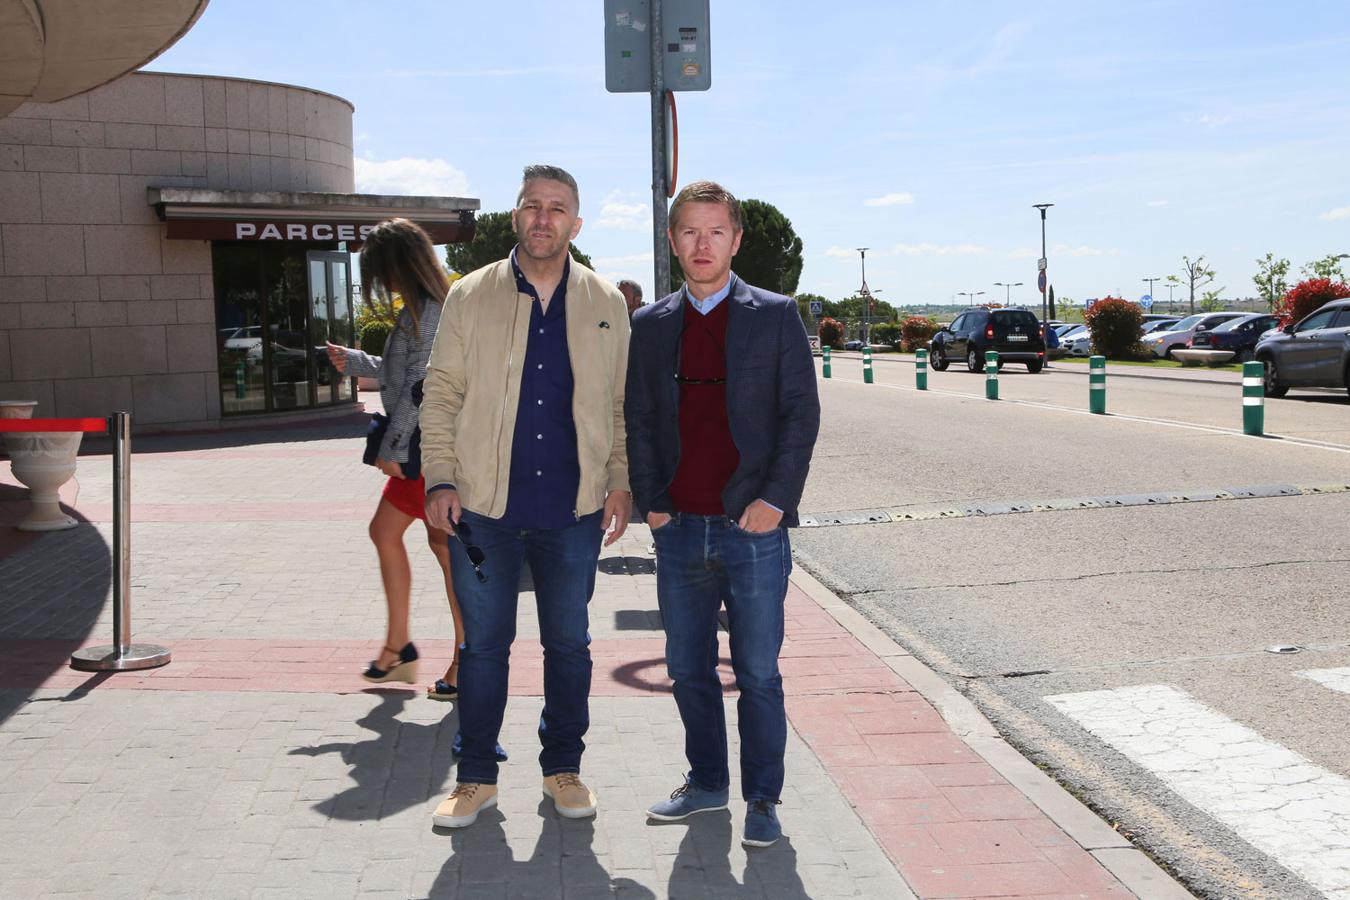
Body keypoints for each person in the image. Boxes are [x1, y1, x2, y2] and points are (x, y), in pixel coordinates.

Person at [420, 164, 632, 829]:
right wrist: (439, 478)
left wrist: (620, 480)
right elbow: (442, 394)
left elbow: (621, 404)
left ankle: (562, 769)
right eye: (532, 206)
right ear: (516, 216)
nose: (544, 218)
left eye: (558, 208)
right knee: (484, 647)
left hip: (572, 512)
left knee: (569, 645)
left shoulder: (605, 302)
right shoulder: (470, 295)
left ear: (576, 222)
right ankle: (475, 777)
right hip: (482, 509)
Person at [625, 181, 820, 849]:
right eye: (689, 231)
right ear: (673, 241)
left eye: (715, 231)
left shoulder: (774, 315)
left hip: (753, 531)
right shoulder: (649, 326)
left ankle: (763, 798)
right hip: (678, 529)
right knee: (688, 666)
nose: (702, 244)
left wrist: (774, 501)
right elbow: (639, 419)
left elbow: (801, 416)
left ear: (735, 241)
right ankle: (707, 783)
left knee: (759, 671)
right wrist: (652, 504)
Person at [326, 218, 465, 694]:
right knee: (414, 542)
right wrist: (358, 360)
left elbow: (422, 386)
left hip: (431, 453)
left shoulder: (428, 312)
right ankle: (401, 647)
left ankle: (461, 660)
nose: (378, 283)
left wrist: (394, 448)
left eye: (379, 271)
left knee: (448, 556)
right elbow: (404, 371)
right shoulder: (423, 310)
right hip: (425, 450)